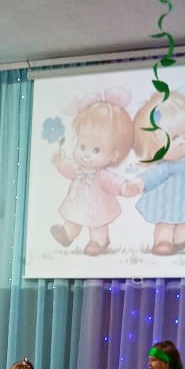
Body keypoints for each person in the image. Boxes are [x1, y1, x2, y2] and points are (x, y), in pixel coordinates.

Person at [127, 91, 185, 256]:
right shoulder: (166, 166)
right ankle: (163, 241)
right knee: (166, 222)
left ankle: (182, 238)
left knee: (184, 219)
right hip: (167, 201)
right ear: (154, 148)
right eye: (175, 137)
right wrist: (139, 182)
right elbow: (152, 175)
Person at [50, 89, 136, 255]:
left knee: (97, 225)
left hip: (98, 206)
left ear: (114, 154)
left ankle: (99, 241)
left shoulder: (102, 175)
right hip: (78, 203)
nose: (86, 155)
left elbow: (114, 181)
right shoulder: (80, 169)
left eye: (96, 150)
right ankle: (67, 233)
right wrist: (60, 162)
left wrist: (125, 188)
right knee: (73, 218)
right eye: (82, 146)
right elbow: (69, 169)